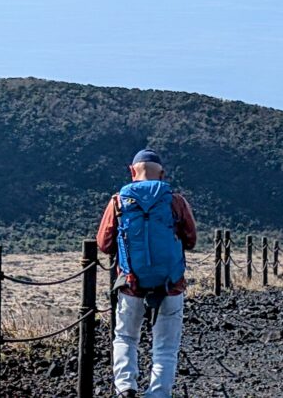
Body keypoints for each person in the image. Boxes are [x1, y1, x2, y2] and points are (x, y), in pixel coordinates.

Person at [96, 149, 197, 398]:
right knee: (166, 346)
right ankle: (158, 393)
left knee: (125, 337)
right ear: (162, 174)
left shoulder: (118, 201)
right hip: (171, 284)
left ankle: (125, 388)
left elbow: (104, 244)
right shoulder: (175, 201)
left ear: (132, 171)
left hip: (131, 284)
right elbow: (191, 240)